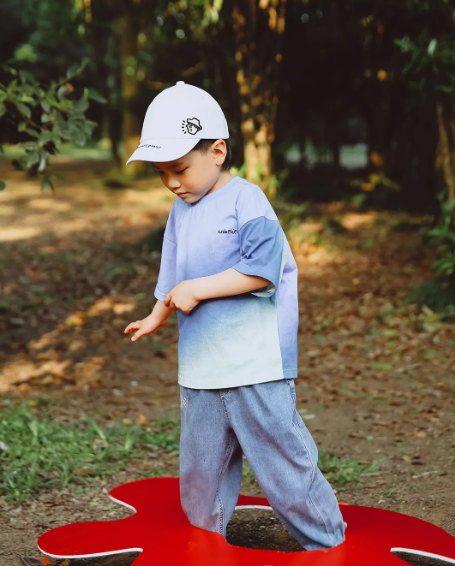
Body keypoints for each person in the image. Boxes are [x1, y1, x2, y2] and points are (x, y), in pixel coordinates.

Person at [124, 81, 346, 551]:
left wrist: (197, 289)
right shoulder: (179, 211)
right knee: (200, 471)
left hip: (256, 365)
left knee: (281, 461)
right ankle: (205, 547)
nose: (172, 182)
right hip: (202, 367)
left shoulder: (248, 200)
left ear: (218, 151)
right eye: (162, 173)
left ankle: (329, 543)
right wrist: (156, 314)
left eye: (180, 169)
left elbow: (262, 272)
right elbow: (172, 276)